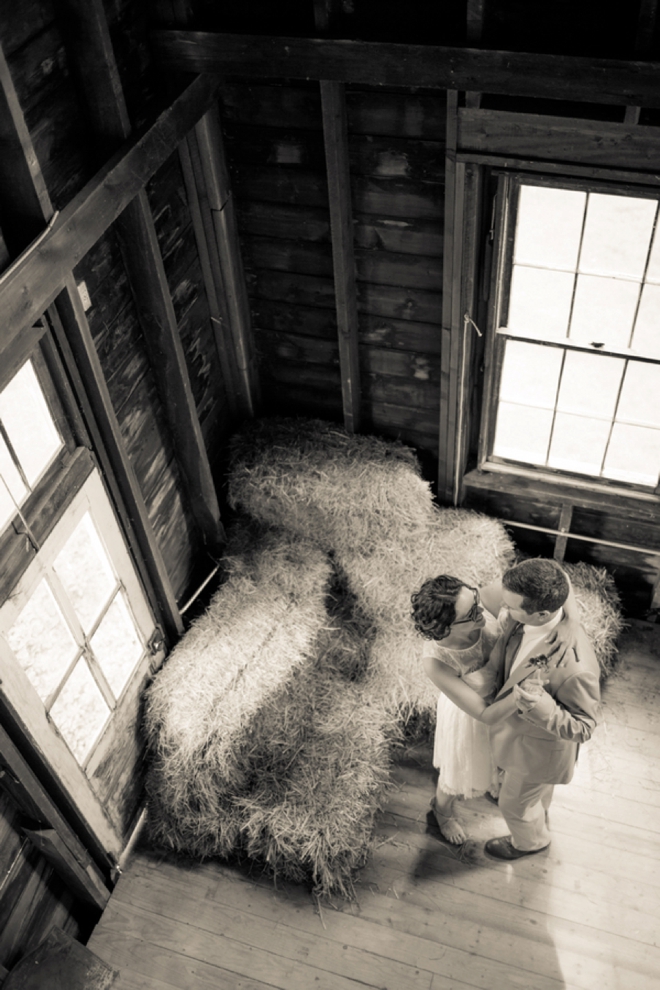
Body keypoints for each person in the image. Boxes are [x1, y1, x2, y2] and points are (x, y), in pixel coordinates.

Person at [411, 572, 581, 843]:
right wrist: (520, 694)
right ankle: (441, 811)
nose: (481, 609)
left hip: (507, 699)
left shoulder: (479, 602)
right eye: (470, 614)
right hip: (475, 716)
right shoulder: (436, 661)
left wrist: (571, 620)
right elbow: (484, 714)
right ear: (445, 628)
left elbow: (554, 575)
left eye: (475, 600)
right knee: (459, 770)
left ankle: (497, 784)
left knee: (504, 759)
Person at [482, 558, 602, 861]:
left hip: (536, 752)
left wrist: (544, 708)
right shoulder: (529, 614)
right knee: (533, 795)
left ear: (542, 613)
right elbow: (558, 570)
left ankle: (530, 842)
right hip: (518, 740)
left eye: (512, 607)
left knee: (512, 805)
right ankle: (540, 806)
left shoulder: (576, 668)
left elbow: (584, 727)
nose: (504, 611)